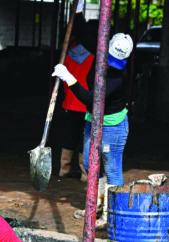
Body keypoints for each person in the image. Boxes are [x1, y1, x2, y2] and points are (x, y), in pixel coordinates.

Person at [53, 14, 133, 229]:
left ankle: (114, 216)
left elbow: (90, 99)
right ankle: (96, 205)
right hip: (93, 121)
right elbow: (85, 35)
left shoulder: (118, 78)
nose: (111, 65)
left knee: (113, 169)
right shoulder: (100, 54)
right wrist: (77, 12)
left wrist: (69, 78)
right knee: (89, 163)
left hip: (112, 128)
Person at [57, 34, 94, 185]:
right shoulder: (94, 56)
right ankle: (85, 174)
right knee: (85, 138)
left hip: (71, 103)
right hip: (86, 103)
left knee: (70, 135)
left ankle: (63, 170)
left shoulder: (67, 55)